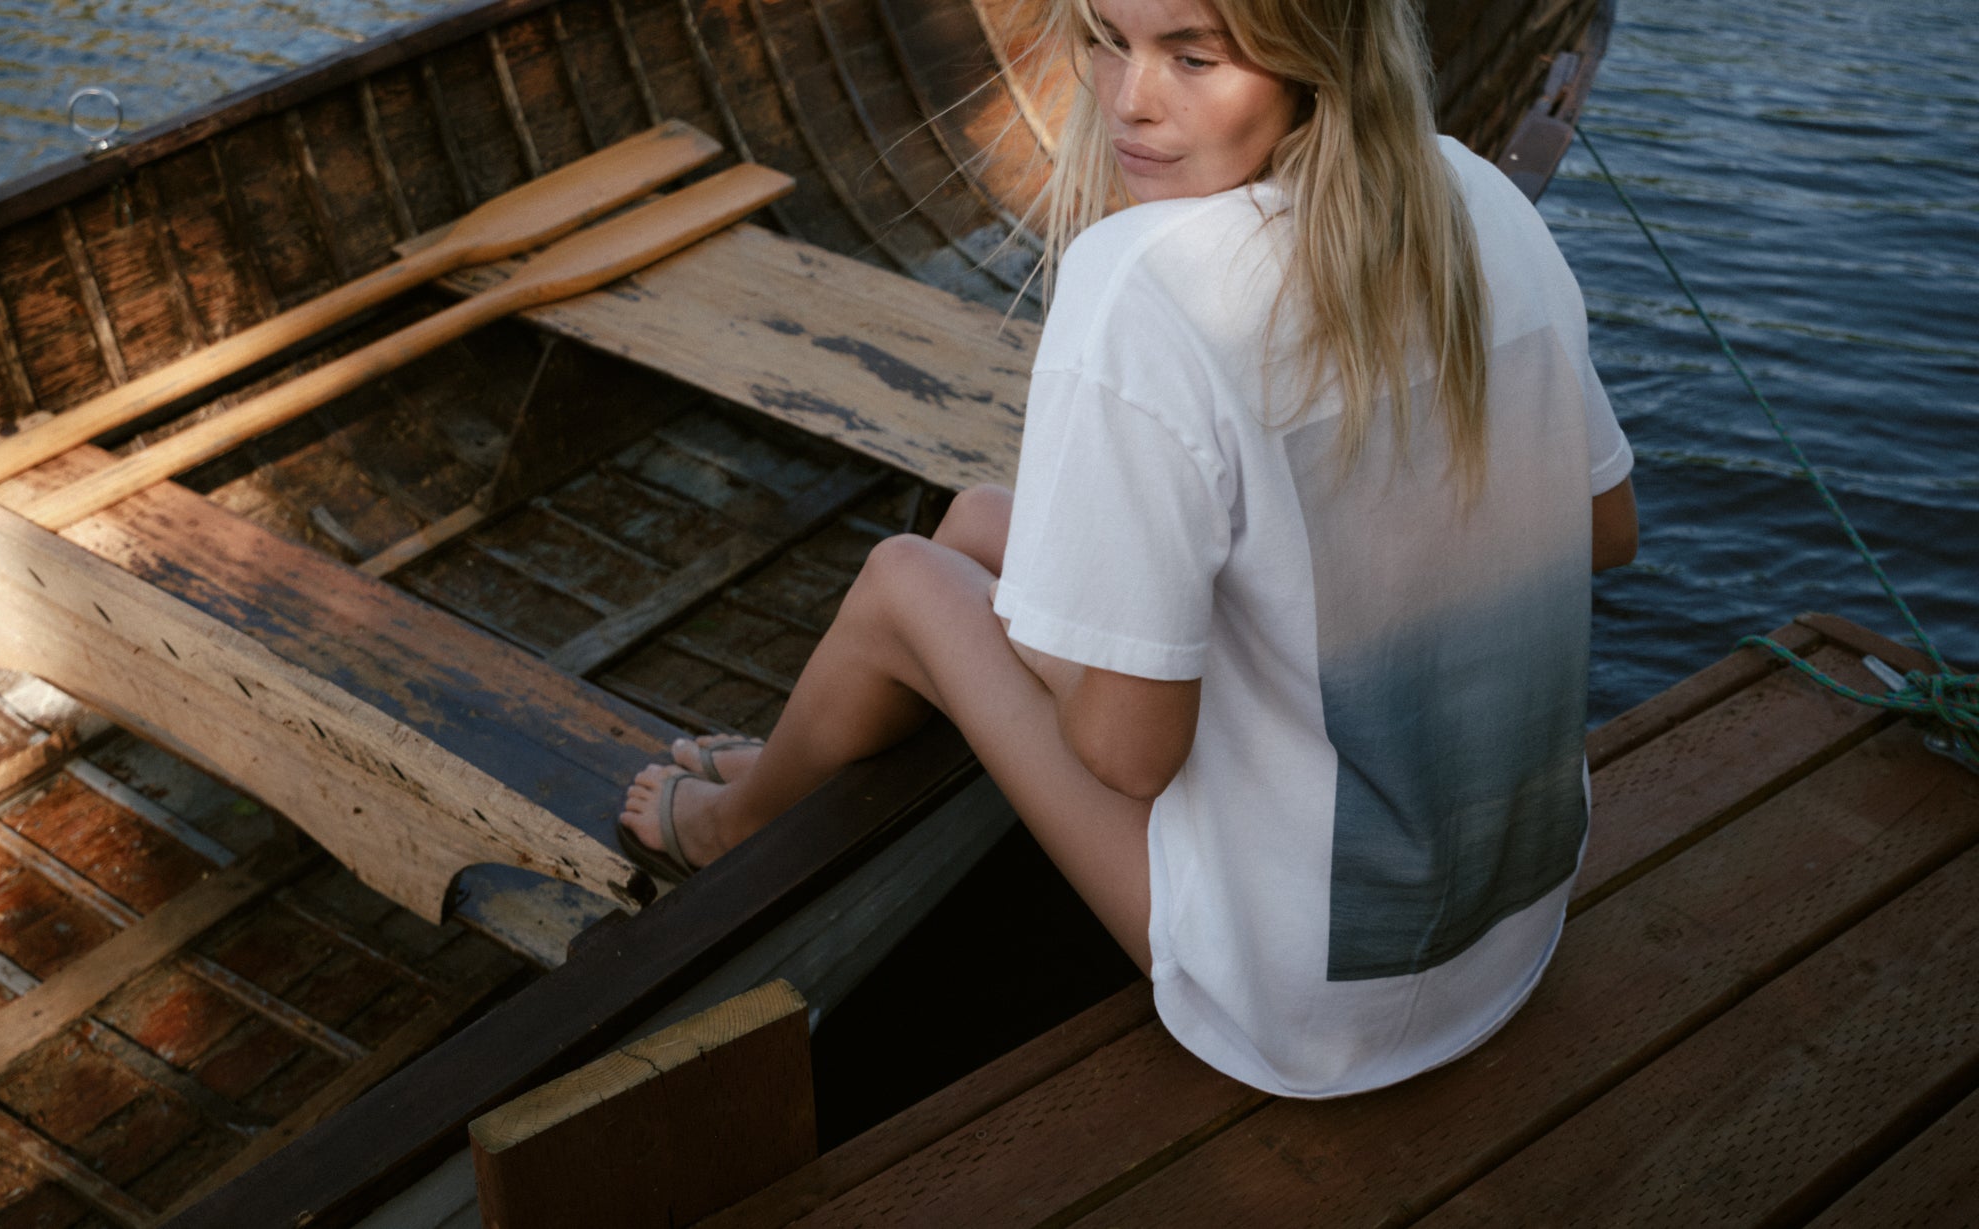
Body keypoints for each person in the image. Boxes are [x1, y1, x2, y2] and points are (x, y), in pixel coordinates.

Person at [620, 0, 1638, 1097]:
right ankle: (790, 767)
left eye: (1192, 57)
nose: (1128, 99)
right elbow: (1604, 527)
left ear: (1317, 61)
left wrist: (1058, 643)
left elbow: (1129, 754)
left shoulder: (1145, 279)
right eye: (1107, 37)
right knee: (978, 520)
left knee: (908, 579)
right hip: (1511, 919)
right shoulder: (1473, 190)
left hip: (1317, 998)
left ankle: (736, 824)